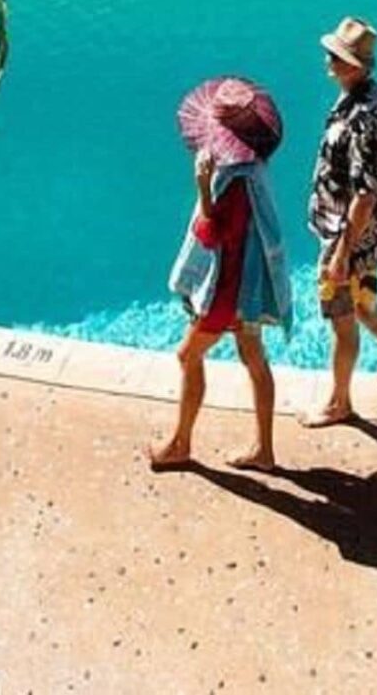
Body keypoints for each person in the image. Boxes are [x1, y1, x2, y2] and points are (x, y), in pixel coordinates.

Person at [151, 79, 291, 471]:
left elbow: (213, 234)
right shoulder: (255, 169)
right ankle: (264, 449)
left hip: (227, 291)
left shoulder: (233, 182)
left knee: (187, 355)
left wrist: (202, 189)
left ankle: (180, 443)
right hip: (249, 285)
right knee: (255, 359)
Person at [304, 16, 377, 429]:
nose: (327, 61)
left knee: (342, 320)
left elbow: (365, 194)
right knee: (365, 303)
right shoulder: (370, 96)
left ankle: (339, 403)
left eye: (335, 56)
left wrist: (341, 253)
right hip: (365, 238)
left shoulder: (361, 119)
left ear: (355, 65)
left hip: (347, 239)